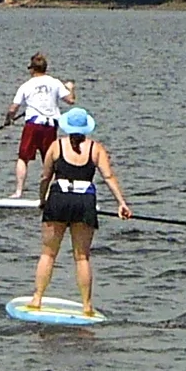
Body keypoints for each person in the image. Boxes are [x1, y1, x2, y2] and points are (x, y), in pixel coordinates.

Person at [31, 107, 131, 317]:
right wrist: (121, 203)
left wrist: (43, 200)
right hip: (84, 202)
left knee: (48, 253)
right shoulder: (96, 149)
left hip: (58, 200)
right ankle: (86, 305)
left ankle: (37, 298)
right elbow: (109, 177)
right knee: (82, 257)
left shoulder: (56, 146)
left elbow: (45, 178)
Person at [4, 53, 74, 199]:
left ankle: (18, 192)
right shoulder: (55, 82)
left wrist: (8, 120)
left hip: (33, 126)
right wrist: (70, 88)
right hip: (50, 127)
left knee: (23, 158)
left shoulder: (26, 85)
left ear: (32, 70)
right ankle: (48, 193)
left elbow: (12, 109)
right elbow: (71, 100)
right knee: (49, 160)